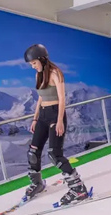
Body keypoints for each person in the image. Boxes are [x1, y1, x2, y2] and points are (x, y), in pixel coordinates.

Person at [23, 44, 89, 206]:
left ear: (42, 59)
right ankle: (38, 183)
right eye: (31, 64)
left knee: (54, 154)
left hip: (55, 115)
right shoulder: (39, 75)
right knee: (33, 152)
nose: (33, 67)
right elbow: (40, 98)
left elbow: (62, 99)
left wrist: (59, 121)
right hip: (43, 115)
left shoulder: (55, 73)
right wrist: (35, 118)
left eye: (34, 63)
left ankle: (78, 188)